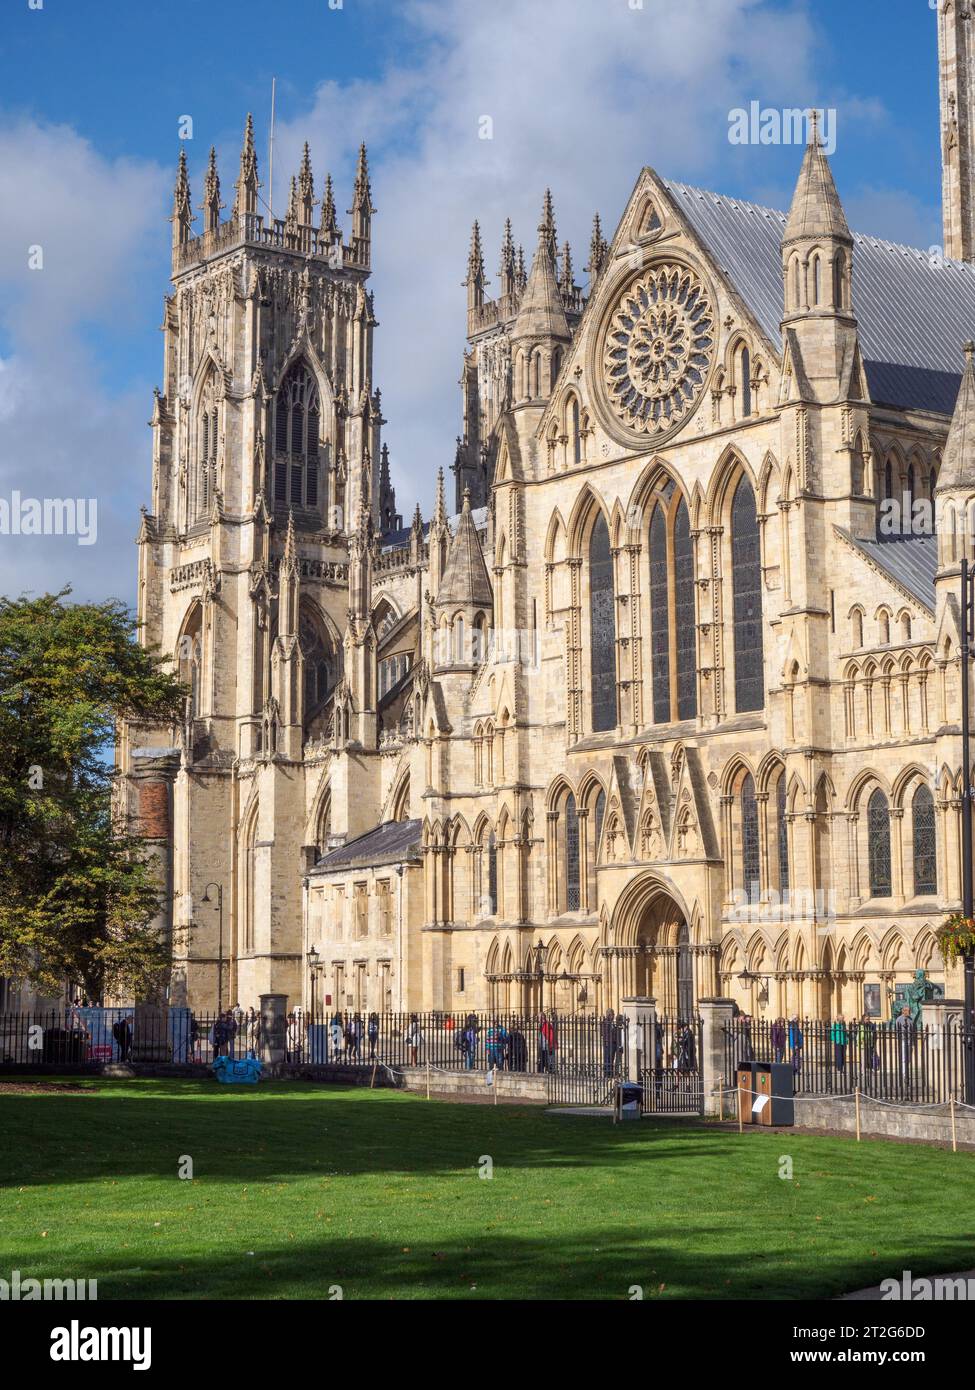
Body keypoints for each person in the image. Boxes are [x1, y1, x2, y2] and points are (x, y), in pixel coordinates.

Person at [601, 1009, 620, 1078]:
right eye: (613, 1014)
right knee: (608, 1059)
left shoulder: (611, 1023)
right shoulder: (606, 1022)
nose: (614, 1016)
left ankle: (610, 1073)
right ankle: (608, 1074)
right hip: (608, 1043)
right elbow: (605, 1033)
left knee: (611, 1059)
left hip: (613, 1043)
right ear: (609, 1015)